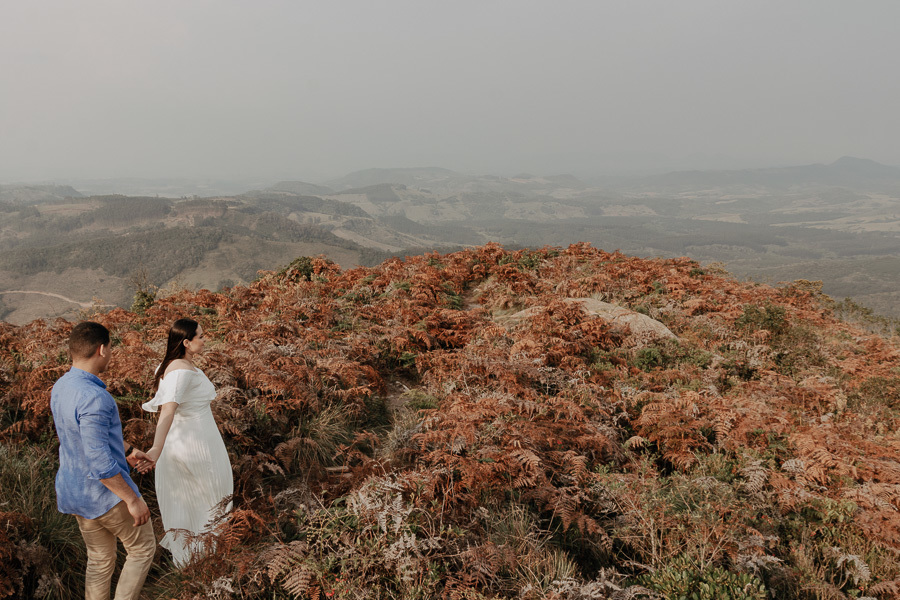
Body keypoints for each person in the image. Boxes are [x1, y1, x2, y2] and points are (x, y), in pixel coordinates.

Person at [51, 321, 157, 600]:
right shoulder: (96, 398)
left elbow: (86, 437)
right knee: (142, 548)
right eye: (110, 348)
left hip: (75, 493)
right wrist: (133, 499)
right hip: (105, 495)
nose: (110, 354)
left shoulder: (61, 386)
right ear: (101, 349)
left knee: (99, 559)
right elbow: (99, 463)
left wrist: (129, 451)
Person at [142, 318, 233, 567]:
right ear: (186, 342)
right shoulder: (180, 371)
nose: (205, 340)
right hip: (194, 445)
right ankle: (203, 562)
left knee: (205, 502)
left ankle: (204, 561)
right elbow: (168, 411)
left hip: (198, 439)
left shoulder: (176, 365)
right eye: (200, 336)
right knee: (209, 501)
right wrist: (156, 450)